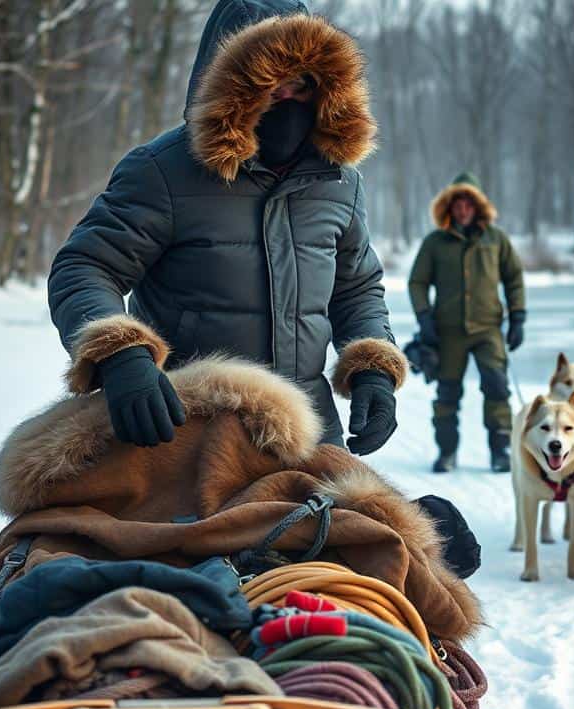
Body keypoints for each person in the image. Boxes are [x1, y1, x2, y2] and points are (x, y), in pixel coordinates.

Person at [47, 0, 406, 455]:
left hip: (307, 434)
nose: (288, 100)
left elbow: (356, 289)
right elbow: (85, 267)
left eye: (301, 84)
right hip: (186, 431)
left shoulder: (338, 180)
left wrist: (373, 367)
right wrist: (121, 355)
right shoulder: (163, 171)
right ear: (231, 85)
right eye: (270, 86)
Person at [408, 172, 526, 473]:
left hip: (488, 330)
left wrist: (518, 317)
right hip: (447, 333)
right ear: (449, 207)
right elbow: (417, 282)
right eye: (457, 204)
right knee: (447, 393)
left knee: (497, 387)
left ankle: (500, 452)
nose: (463, 210)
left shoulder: (496, 239)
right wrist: (424, 318)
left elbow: (513, 278)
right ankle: (446, 453)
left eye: (468, 204)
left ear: (478, 207)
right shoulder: (435, 242)